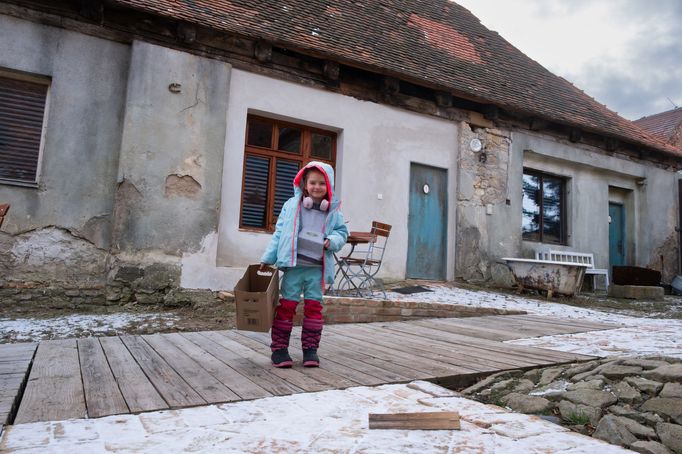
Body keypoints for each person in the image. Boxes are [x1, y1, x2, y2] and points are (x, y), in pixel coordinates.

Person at [260, 161, 348, 368]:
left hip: (317, 270)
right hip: (294, 267)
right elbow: (279, 233)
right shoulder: (291, 206)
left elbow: (342, 233)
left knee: (314, 309)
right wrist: (267, 259)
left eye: (321, 183)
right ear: (304, 184)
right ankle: (279, 350)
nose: (316, 187)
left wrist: (333, 241)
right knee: (286, 307)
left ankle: (310, 350)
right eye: (312, 183)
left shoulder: (334, 212)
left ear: (329, 186)